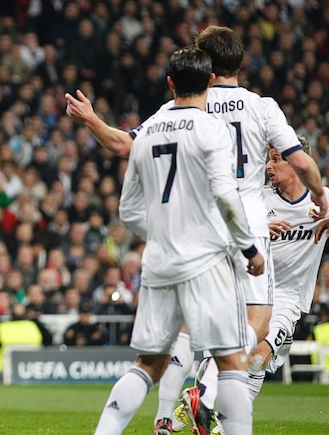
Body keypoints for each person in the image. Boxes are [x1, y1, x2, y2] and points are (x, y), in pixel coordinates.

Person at [67, 25, 327, 434]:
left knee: (166, 349)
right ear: (238, 63)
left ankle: (161, 419)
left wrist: (92, 120)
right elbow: (297, 163)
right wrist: (319, 195)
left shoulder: (169, 117)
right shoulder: (259, 107)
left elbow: (123, 155)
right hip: (246, 229)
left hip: (187, 240)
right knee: (244, 342)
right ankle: (206, 398)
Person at [93, 47, 264, 435]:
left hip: (159, 261)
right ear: (209, 83)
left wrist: (165, 233)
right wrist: (249, 248)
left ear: (170, 83)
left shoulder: (147, 131)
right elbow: (225, 195)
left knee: (147, 365)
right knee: (230, 362)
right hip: (206, 262)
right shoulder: (212, 129)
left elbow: (129, 210)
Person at [248, 137, 329, 388]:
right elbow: (222, 232)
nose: (267, 167)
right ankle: (203, 400)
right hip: (251, 293)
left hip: (288, 297)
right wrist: (259, 229)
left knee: (258, 359)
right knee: (233, 360)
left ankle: (216, 415)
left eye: (274, 159)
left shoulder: (322, 199)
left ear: (296, 163)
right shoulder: (257, 199)